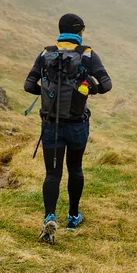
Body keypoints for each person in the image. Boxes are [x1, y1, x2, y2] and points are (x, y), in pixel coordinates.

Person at [24, 14, 112, 244]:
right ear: (80, 31)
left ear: (60, 30)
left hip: (51, 124)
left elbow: (28, 85)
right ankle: (73, 217)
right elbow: (106, 85)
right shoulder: (87, 55)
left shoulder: (45, 54)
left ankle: (49, 217)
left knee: (52, 174)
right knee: (75, 169)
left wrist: (48, 93)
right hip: (76, 125)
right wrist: (88, 89)